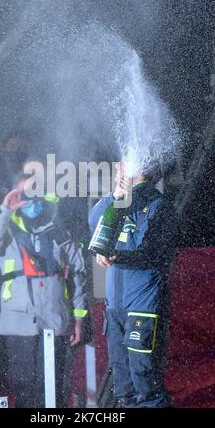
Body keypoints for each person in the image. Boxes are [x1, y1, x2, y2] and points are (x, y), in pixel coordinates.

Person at [0, 173, 88, 408]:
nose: (31, 201)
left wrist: (78, 318)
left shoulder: (59, 231)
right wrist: (5, 210)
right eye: (24, 195)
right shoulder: (5, 228)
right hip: (18, 325)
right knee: (25, 387)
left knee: (54, 387)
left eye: (35, 194)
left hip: (55, 321)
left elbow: (77, 276)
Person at [88, 161, 178, 408]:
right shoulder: (117, 201)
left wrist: (119, 256)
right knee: (123, 386)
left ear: (141, 168)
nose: (119, 167)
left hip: (143, 304)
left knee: (144, 381)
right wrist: (117, 195)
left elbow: (153, 251)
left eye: (125, 164)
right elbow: (94, 222)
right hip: (115, 307)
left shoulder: (159, 205)